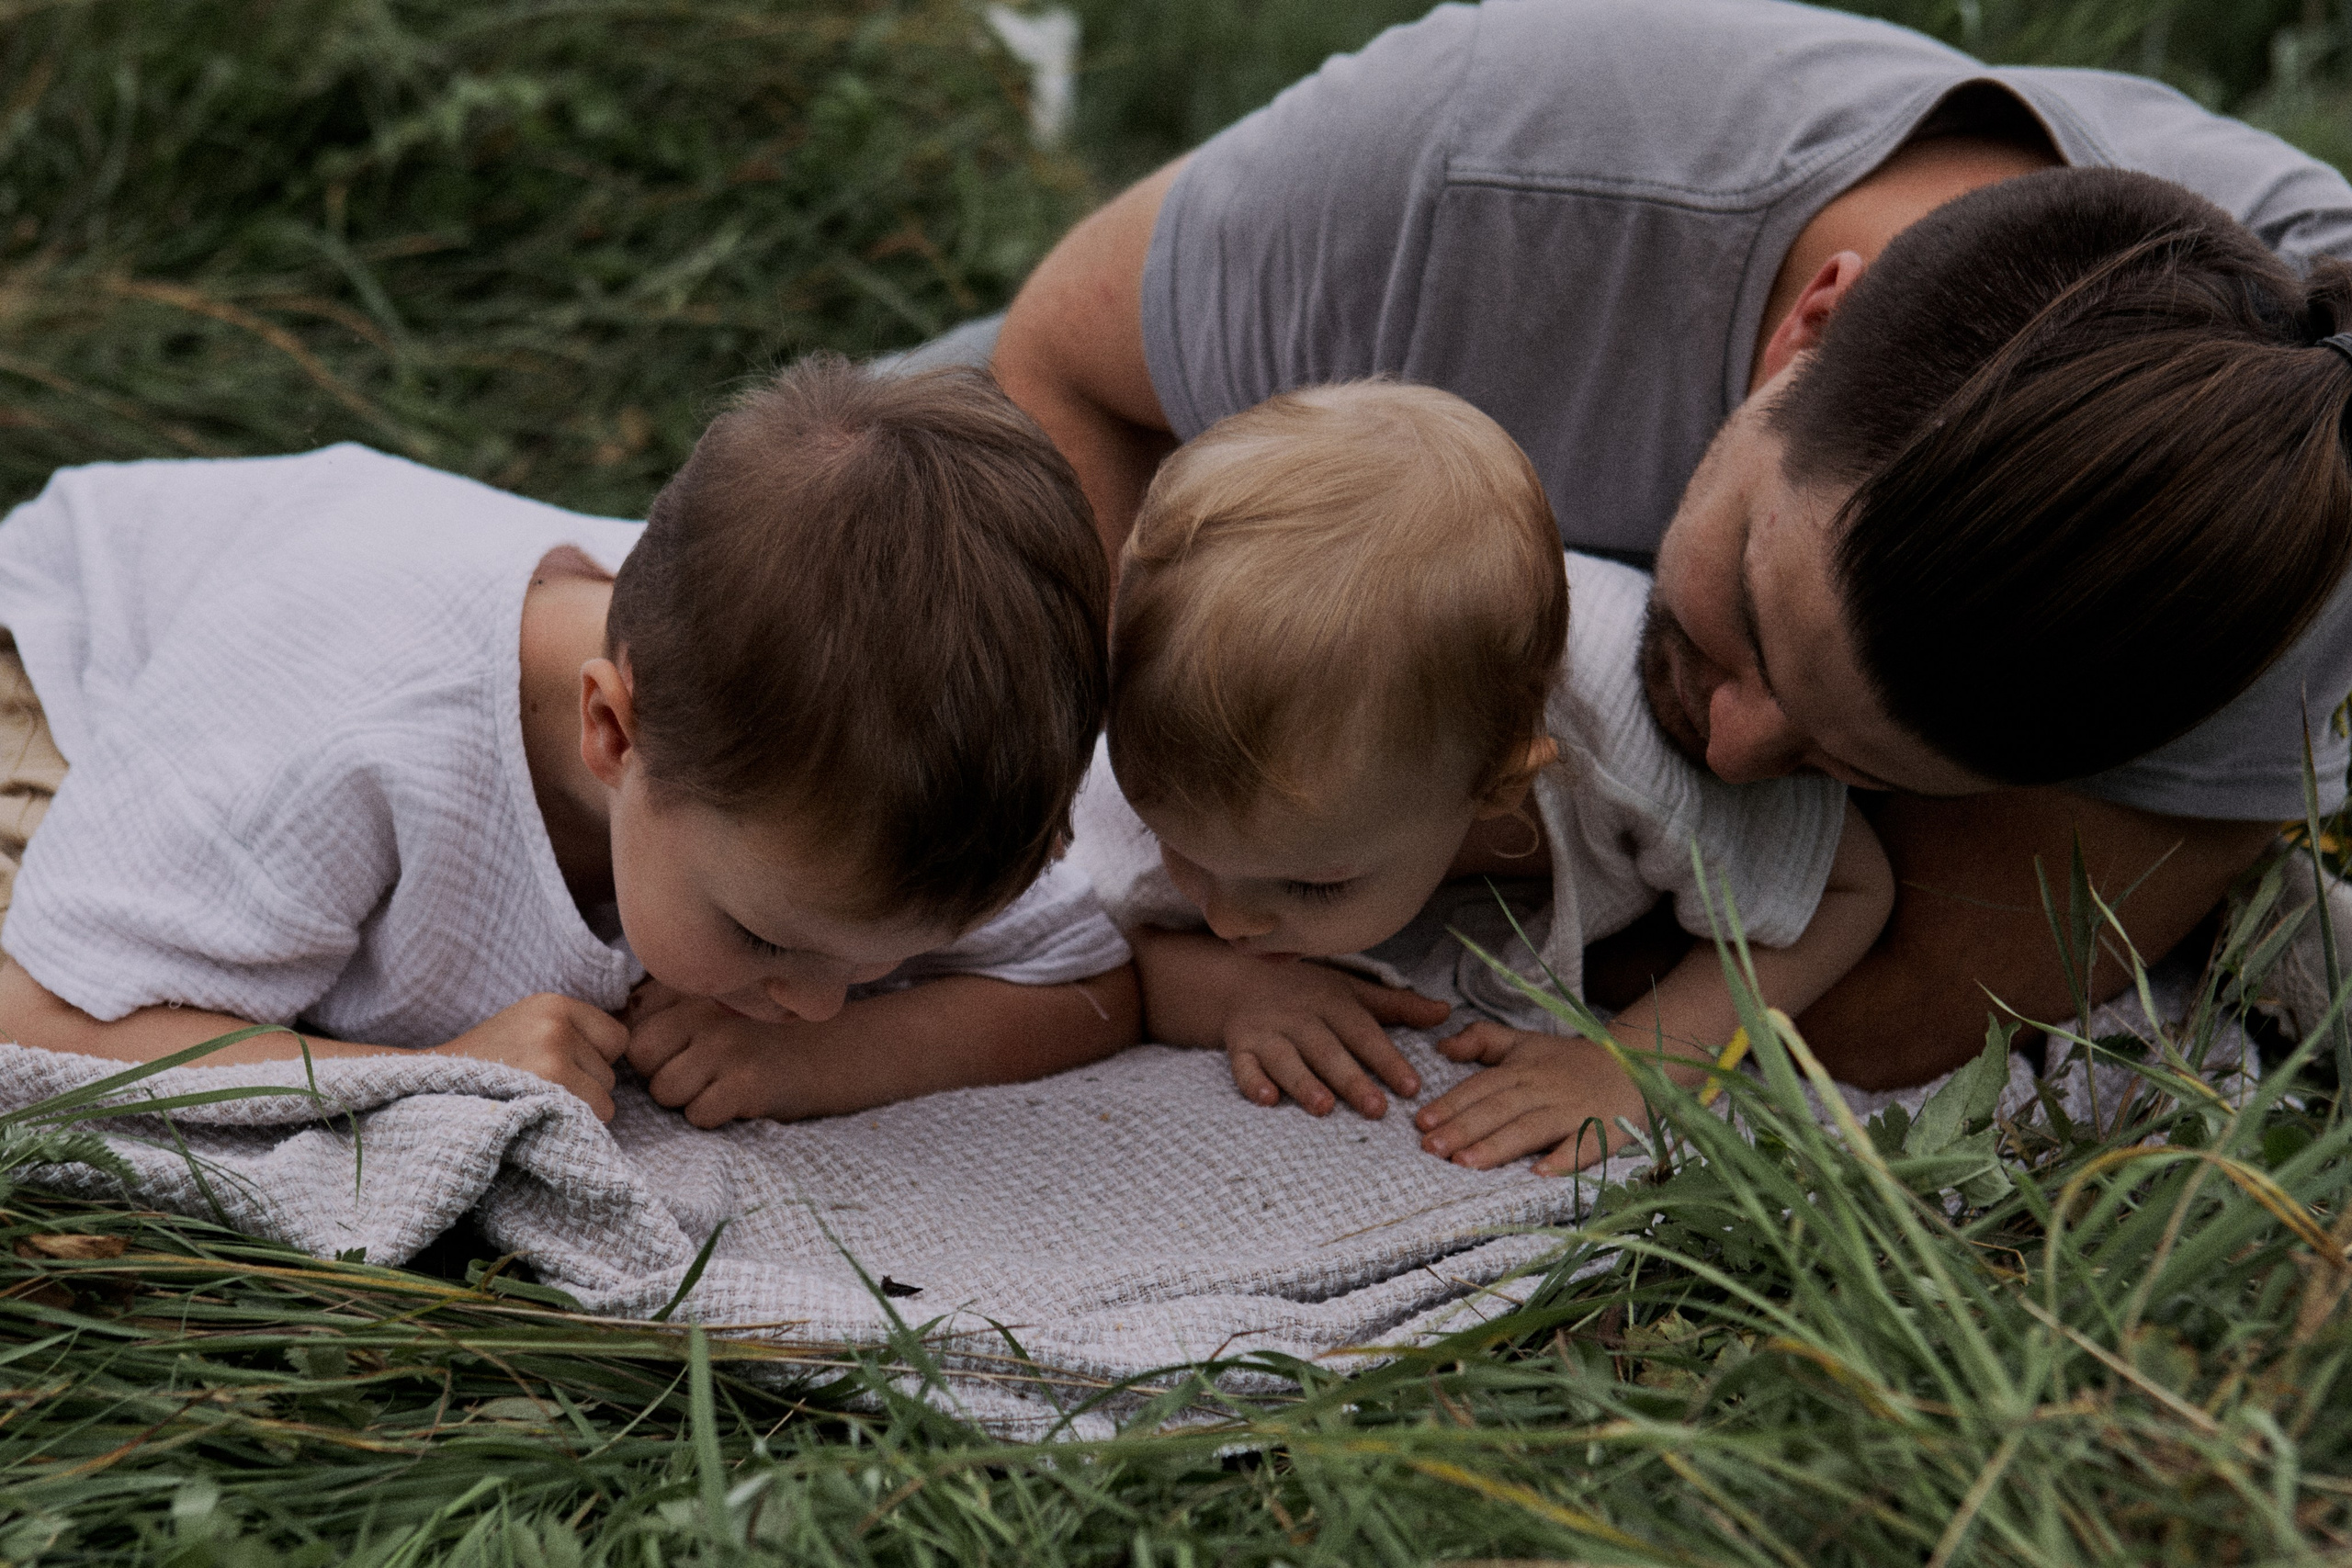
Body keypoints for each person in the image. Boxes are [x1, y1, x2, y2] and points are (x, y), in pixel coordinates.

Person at [993, 0, 2352, 1089]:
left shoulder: (2283, 544)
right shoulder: (1499, 165)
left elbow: (1901, 1006)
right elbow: (1065, 362)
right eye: (1751, 619)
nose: (1737, 749)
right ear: (1808, 326)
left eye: (1848, 764)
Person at [0, 356, 1140, 1127]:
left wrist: (816, 1064)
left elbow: (1087, 979)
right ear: (611, 728)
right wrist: (428, 1079)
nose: (823, 999)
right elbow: (39, 1022)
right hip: (64, 661)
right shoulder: (352, 729)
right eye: (762, 939)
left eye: (879, 965)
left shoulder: (837, 759)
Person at [1071, 381, 1893, 1170]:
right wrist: (1230, 993)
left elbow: (1844, 892)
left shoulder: (1633, 746)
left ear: (1497, 782)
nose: (1226, 918)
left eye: (1313, 885)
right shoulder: (1179, 738)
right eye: (1174, 844)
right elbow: (1108, 936)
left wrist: (1637, 1063)